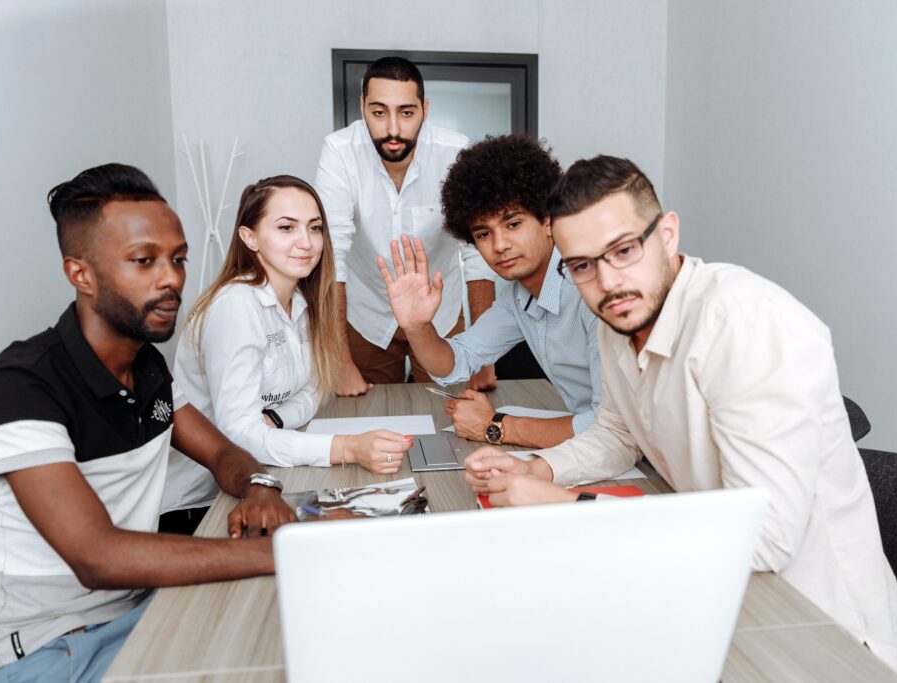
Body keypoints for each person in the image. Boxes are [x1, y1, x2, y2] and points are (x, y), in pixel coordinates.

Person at [463, 156, 897, 673]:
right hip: (718, 586)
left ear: (667, 233)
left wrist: (567, 503)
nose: (608, 282)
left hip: (820, 632)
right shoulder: (619, 320)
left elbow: (765, 540)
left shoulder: (745, 323)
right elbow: (615, 432)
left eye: (625, 250)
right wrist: (535, 469)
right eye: (583, 265)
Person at [0, 164, 298, 683]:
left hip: (137, 613)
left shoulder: (147, 366)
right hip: (45, 651)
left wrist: (260, 486)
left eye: (178, 259)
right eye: (144, 261)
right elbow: (99, 557)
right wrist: (281, 551)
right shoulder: (19, 387)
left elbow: (224, 454)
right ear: (81, 274)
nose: (171, 279)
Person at [161, 175, 413, 520]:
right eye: (285, 228)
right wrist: (347, 448)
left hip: (266, 473)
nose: (306, 242)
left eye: (314, 228)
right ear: (250, 237)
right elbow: (240, 436)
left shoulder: (300, 300)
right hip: (201, 502)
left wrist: (274, 420)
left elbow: (315, 389)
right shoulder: (236, 306)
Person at [377, 135, 601, 449]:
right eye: (483, 233)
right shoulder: (517, 296)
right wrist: (417, 327)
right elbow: (457, 361)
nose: (499, 245)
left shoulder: (594, 290)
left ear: (548, 219)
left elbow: (609, 425)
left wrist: (495, 426)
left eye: (513, 224)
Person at [314, 56, 496, 395]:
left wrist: (484, 356)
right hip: (365, 312)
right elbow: (331, 256)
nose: (393, 129)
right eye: (379, 112)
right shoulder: (339, 152)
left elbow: (477, 255)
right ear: (362, 106)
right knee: (368, 417)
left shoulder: (455, 151)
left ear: (425, 109)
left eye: (407, 113)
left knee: (452, 414)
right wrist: (339, 360)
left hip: (439, 314)